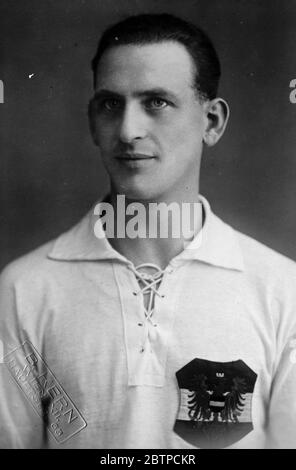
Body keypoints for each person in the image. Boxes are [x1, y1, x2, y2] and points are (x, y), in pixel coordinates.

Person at [1, 12, 296, 449]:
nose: (128, 130)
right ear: (91, 122)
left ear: (211, 122)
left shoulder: (281, 290)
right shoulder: (24, 291)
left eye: (156, 102)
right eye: (110, 104)